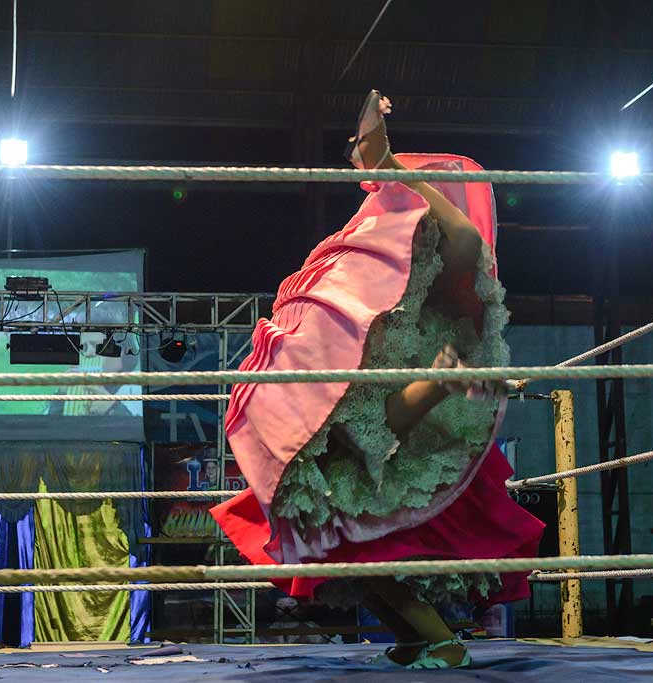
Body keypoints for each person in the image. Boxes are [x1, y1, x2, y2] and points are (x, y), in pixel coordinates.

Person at [210, 90, 544, 669]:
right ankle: (420, 636)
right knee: (326, 528)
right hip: (366, 431)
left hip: (400, 440)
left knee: (348, 529)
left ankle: (440, 641)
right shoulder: (373, 272)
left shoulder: (441, 282)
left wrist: (387, 164)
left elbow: (463, 239)